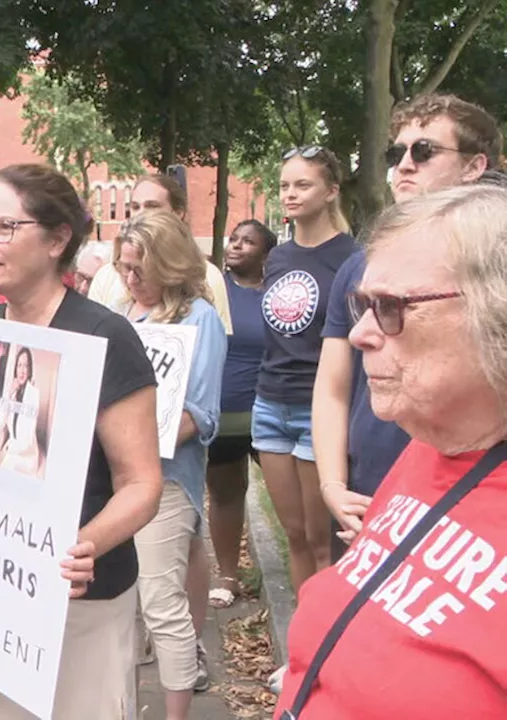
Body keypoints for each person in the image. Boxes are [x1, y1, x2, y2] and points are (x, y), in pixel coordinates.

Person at [0, 164, 164, 719]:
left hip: (76, 606)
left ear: (58, 239)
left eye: (4, 228)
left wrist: (81, 546)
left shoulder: (104, 337)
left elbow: (141, 484)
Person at [274, 185, 508, 719]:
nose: (359, 335)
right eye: (363, 305)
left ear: (496, 316)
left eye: (390, 307)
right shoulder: (430, 446)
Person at [313, 94, 503, 562]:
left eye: (424, 151)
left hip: (473, 507)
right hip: (370, 489)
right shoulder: (357, 266)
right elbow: (334, 387)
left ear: (475, 164)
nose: (404, 165)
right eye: (395, 154)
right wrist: (334, 484)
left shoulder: (496, 264)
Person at [114, 211, 226, 719]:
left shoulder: (198, 318)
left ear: (171, 265)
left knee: (162, 604)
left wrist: (133, 435)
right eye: (123, 267)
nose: (129, 278)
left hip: (166, 481)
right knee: (120, 605)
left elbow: (200, 414)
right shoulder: (124, 313)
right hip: (113, 478)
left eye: (139, 268)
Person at [254, 147, 357, 605]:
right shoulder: (277, 257)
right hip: (268, 403)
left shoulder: (350, 257)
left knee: (323, 541)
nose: (290, 194)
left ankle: (326, 651)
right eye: (284, 186)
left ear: (331, 191)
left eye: (302, 185)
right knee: (294, 535)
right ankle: (300, 646)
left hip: (318, 407)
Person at [207, 220, 277, 608]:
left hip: (270, 410)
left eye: (247, 242)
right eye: (233, 239)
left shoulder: (279, 294)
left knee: (294, 499)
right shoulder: (215, 290)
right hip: (226, 413)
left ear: (266, 253)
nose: (235, 246)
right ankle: (228, 575)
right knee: (225, 494)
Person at [88, 175, 233, 334]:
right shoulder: (105, 276)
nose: (141, 214)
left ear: (178, 213)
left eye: (152, 206)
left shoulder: (208, 276)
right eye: (135, 207)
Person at [0, 347, 43, 474]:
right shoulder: (13, 391)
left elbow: (27, 439)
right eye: (19, 365)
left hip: (26, 455)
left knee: (6, 468)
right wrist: (8, 396)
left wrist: (11, 448)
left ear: (30, 370)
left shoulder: (34, 394)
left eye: (26, 366)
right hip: (13, 449)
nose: (22, 371)